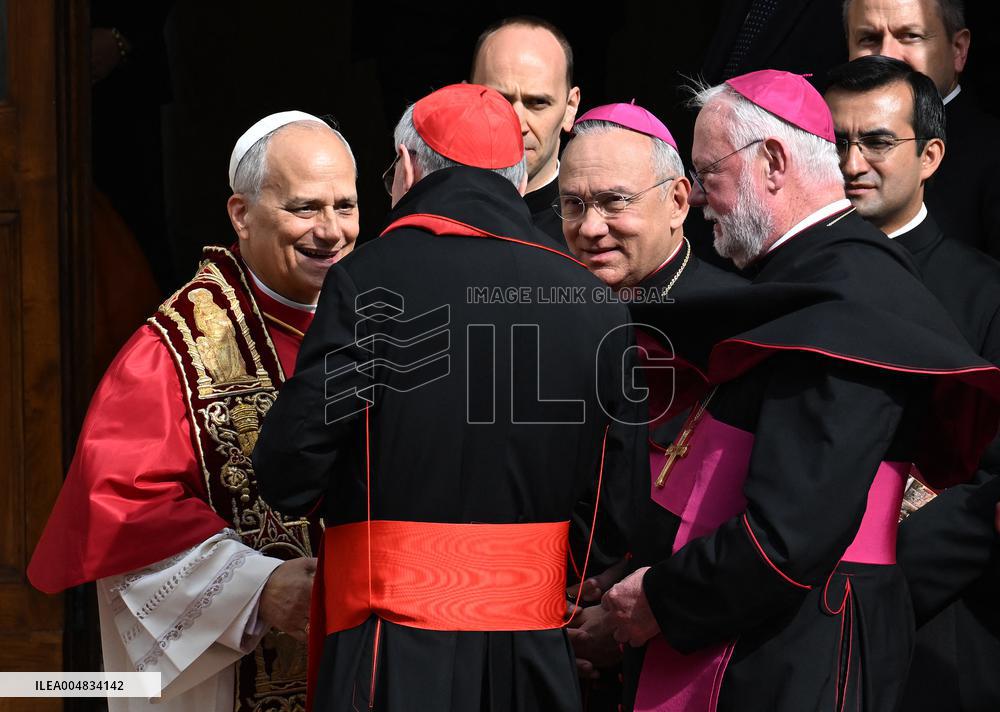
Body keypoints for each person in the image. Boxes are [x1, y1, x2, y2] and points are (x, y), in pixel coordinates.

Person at [603, 69, 1000, 712]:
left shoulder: (853, 301)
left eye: (710, 174)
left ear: (774, 160)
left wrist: (661, 600)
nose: (701, 199)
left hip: (808, 637)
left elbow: (788, 535)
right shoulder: (812, 273)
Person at [251, 83, 645, 712]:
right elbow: (612, 505)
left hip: (389, 649)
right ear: (518, 183)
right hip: (533, 651)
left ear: (407, 168)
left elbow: (289, 467)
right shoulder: (593, 301)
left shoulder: (367, 277)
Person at [27, 111, 360, 712]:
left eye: (346, 206)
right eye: (305, 208)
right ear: (241, 215)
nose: (331, 231)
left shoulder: (376, 319)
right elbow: (124, 510)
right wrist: (258, 589)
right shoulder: (172, 353)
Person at [557, 101, 747, 706]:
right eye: (573, 204)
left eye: (615, 202)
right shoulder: (545, 314)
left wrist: (637, 606)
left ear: (677, 200)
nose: (590, 227)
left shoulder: (740, 322)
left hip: (691, 644)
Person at [826, 54, 1000, 712]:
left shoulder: (985, 293)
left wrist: (887, 578)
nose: (850, 163)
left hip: (935, 620)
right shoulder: (785, 284)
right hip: (791, 604)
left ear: (930, 155)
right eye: (836, 142)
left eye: (874, 141)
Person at [843, 0, 1000, 258]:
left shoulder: (991, 153)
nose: (886, 55)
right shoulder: (818, 147)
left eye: (910, 36)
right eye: (869, 38)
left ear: (958, 50)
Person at [470, 16, 581, 249]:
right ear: (465, 101)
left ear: (570, 108)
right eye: (497, 100)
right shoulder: (433, 215)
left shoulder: (591, 235)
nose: (517, 124)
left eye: (538, 102)